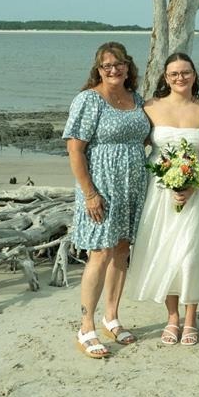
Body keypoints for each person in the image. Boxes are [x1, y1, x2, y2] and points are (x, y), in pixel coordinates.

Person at [62, 41, 150, 359]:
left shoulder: (137, 99)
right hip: (100, 187)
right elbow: (75, 150)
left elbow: (150, 137)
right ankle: (86, 327)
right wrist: (90, 193)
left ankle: (111, 316)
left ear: (128, 66)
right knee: (99, 253)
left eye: (119, 64)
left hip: (132, 187)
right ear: (98, 70)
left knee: (122, 250)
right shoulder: (89, 99)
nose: (114, 69)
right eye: (107, 65)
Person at [126, 53, 199, 347]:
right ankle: (172, 317)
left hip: (197, 192)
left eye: (186, 72)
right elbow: (136, 144)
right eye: (174, 74)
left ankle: (190, 319)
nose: (181, 78)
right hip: (159, 192)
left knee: (190, 254)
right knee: (165, 251)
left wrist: (195, 182)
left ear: (194, 74)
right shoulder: (150, 107)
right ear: (166, 77)